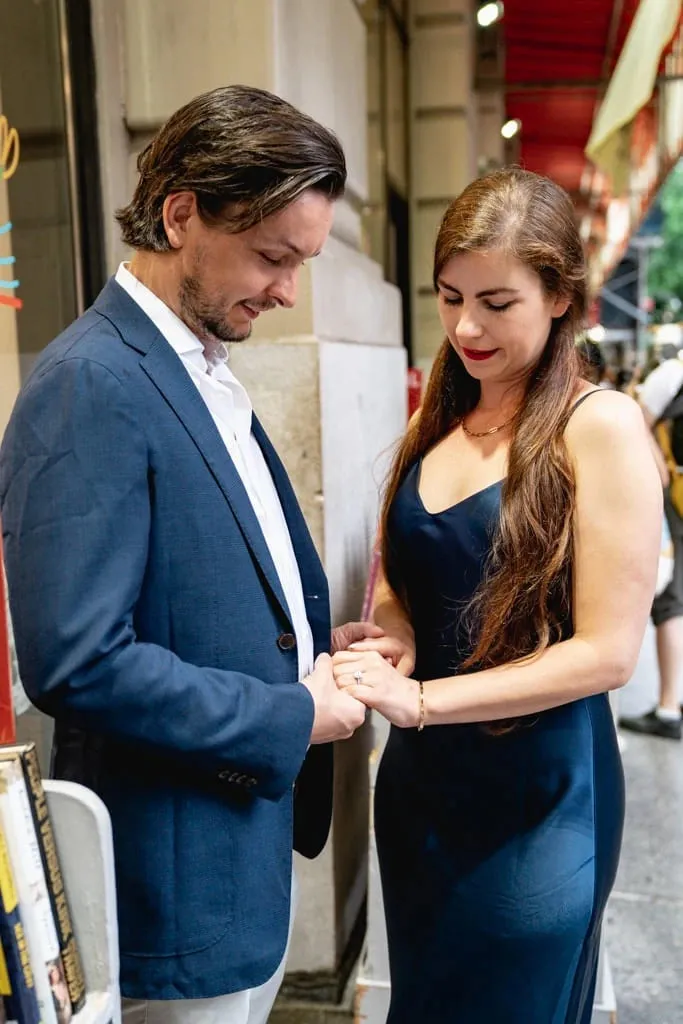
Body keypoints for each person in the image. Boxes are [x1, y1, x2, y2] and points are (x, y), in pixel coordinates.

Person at [0, 85, 378, 1024]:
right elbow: (78, 661)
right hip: (172, 886)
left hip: (234, 863)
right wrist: (293, 712)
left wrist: (306, 638)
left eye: (302, 260)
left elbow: (197, 583)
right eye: (270, 256)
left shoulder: (195, 362)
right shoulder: (90, 383)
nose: (288, 290)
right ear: (181, 214)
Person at [332, 168, 661, 1023]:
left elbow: (608, 653)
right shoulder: (433, 420)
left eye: (497, 302)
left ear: (559, 296)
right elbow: (404, 575)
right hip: (420, 791)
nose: (466, 327)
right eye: (449, 298)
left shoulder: (600, 425)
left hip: (539, 796)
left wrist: (420, 699)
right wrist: (394, 636)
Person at [619, 350, 683, 740]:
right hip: (676, 498)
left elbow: (637, 422)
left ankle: (668, 708)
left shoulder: (673, 374)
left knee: (671, 602)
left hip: (674, 499)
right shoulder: (672, 375)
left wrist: (657, 471)